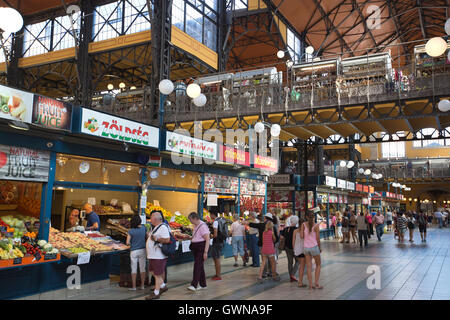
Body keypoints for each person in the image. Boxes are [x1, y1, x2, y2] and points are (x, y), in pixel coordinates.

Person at [145, 211, 170, 300]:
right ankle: (162, 286)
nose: (150, 220)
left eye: (151, 218)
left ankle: (156, 292)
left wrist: (157, 238)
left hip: (159, 256)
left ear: (155, 219)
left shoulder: (163, 227)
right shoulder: (156, 227)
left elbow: (167, 240)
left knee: (158, 274)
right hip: (153, 255)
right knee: (152, 271)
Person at [247, 213, 279, 278]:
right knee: (272, 261)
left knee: (264, 261)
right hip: (271, 247)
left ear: (265, 218)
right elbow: (276, 238)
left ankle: (263, 273)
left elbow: (255, 225)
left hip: (263, 246)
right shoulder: (273, 226)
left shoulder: (262, 225)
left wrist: (247, 223)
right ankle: (271, 273)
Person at [187, 212, 210, 292]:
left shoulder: (203, 226)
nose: (190, 221)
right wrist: (190, 237)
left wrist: (205, 252)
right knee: (200, 266)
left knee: (197, 265)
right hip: (195, 247)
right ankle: (203, 284)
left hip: (201, 247)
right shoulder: (195, 225)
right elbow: (197, 236)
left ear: (194, 218)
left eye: (190, 219)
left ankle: (194, 285)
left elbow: (207, 239)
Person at [301, 211, 322, 290]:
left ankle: (310, 285)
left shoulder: (303, 225)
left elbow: (302, 236)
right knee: (318, 265)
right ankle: (316, 283)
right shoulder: (316, 225)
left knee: (309, 267)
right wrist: (319, 248)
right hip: (314, 247)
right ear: (314, 217)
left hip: (306, 248)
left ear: (306, 217)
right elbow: (318, 239)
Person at [126, 214, 147, 291]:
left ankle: (134, 287)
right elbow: (147, 237)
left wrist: (131, 243)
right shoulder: (144, 228)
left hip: (134, 251)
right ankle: (142, 286)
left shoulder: (130, 231)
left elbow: (127, 242)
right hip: (143, 250)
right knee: (142, 268)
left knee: (134, 269)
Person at [281, 215, 299, 283]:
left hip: (287, 248)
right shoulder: (297, 229)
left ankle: (291, 276)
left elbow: (282, 237)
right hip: (294, 247)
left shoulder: (286, 229)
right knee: (298, 261)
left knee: (290, 262)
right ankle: (292, 275)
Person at [210, 212, 225, 281]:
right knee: (217, 258)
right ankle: (217, 274)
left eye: (210, 214)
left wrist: (210, 236)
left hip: (217, 242)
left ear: (213, 214)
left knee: (217, 258)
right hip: (221, 241)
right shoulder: (221, 220)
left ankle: (218, 275)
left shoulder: (215, 222)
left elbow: (215, 234)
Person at [292, 217, 306, 288]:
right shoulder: (305, 231)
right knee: (302, 267)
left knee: (301, 265)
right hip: (303, 250)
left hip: (297, 250)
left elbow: (293, 242)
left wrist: (294, 249)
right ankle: (300, 282)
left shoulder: (295, 231)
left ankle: (300, 281)